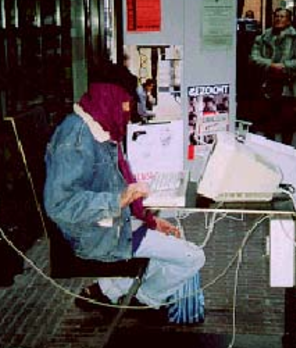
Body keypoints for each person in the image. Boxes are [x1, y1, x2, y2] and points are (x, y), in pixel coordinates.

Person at [43, 62, 205, 312]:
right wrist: (118, 200)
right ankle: (146, 301)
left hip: (108, 225)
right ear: (110, 97)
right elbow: (59, 204)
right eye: (126, 103)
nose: (128, 111)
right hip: (94, 235)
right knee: (193, 257)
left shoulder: (99, 127)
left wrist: (150, 220)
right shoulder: (77, 137)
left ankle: (108, 290)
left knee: (170, 241)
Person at [250, 8, 296, 145]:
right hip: (268, 87)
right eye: (277, 16)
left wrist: (285, 66)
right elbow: (254, 56)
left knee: (287, 127)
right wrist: (270, 65)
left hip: (289, 88)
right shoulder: (264, 37)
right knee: (268, 125)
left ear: (289, 20)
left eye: (283, 17)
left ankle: (286, 155)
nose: (279, 19)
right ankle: (271, 155)